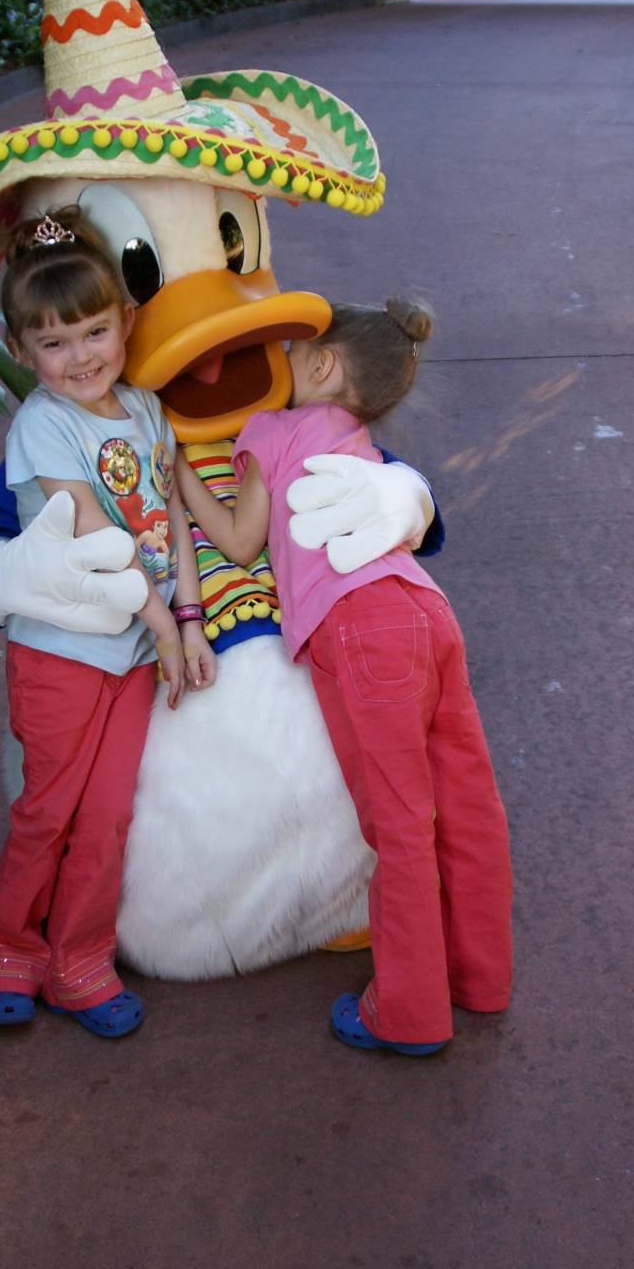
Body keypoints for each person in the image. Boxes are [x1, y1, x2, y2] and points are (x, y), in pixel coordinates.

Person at [174, 301, 512, 1056]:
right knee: (465, 806)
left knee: (398, 827)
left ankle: (409, 1012)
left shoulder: (270, 430)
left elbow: (236, 542)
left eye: (291, 353)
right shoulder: (358, 441)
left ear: (322, 366)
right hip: (425, 613)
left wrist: (178, 477)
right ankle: (480, 977)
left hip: (359, 632)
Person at [0, 209, 216, 1038]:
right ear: (20, 351)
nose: (79, 357)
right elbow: (96, 538)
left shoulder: (145, 412)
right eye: (54, 342)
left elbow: (171, 517)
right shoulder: (42, 423)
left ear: (126, 323)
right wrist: (166, 626)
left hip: (135, 654)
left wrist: (186, 616)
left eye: (94, 331)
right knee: (48, 810)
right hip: (62, 656)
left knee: (106, 817)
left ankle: (79, 960)